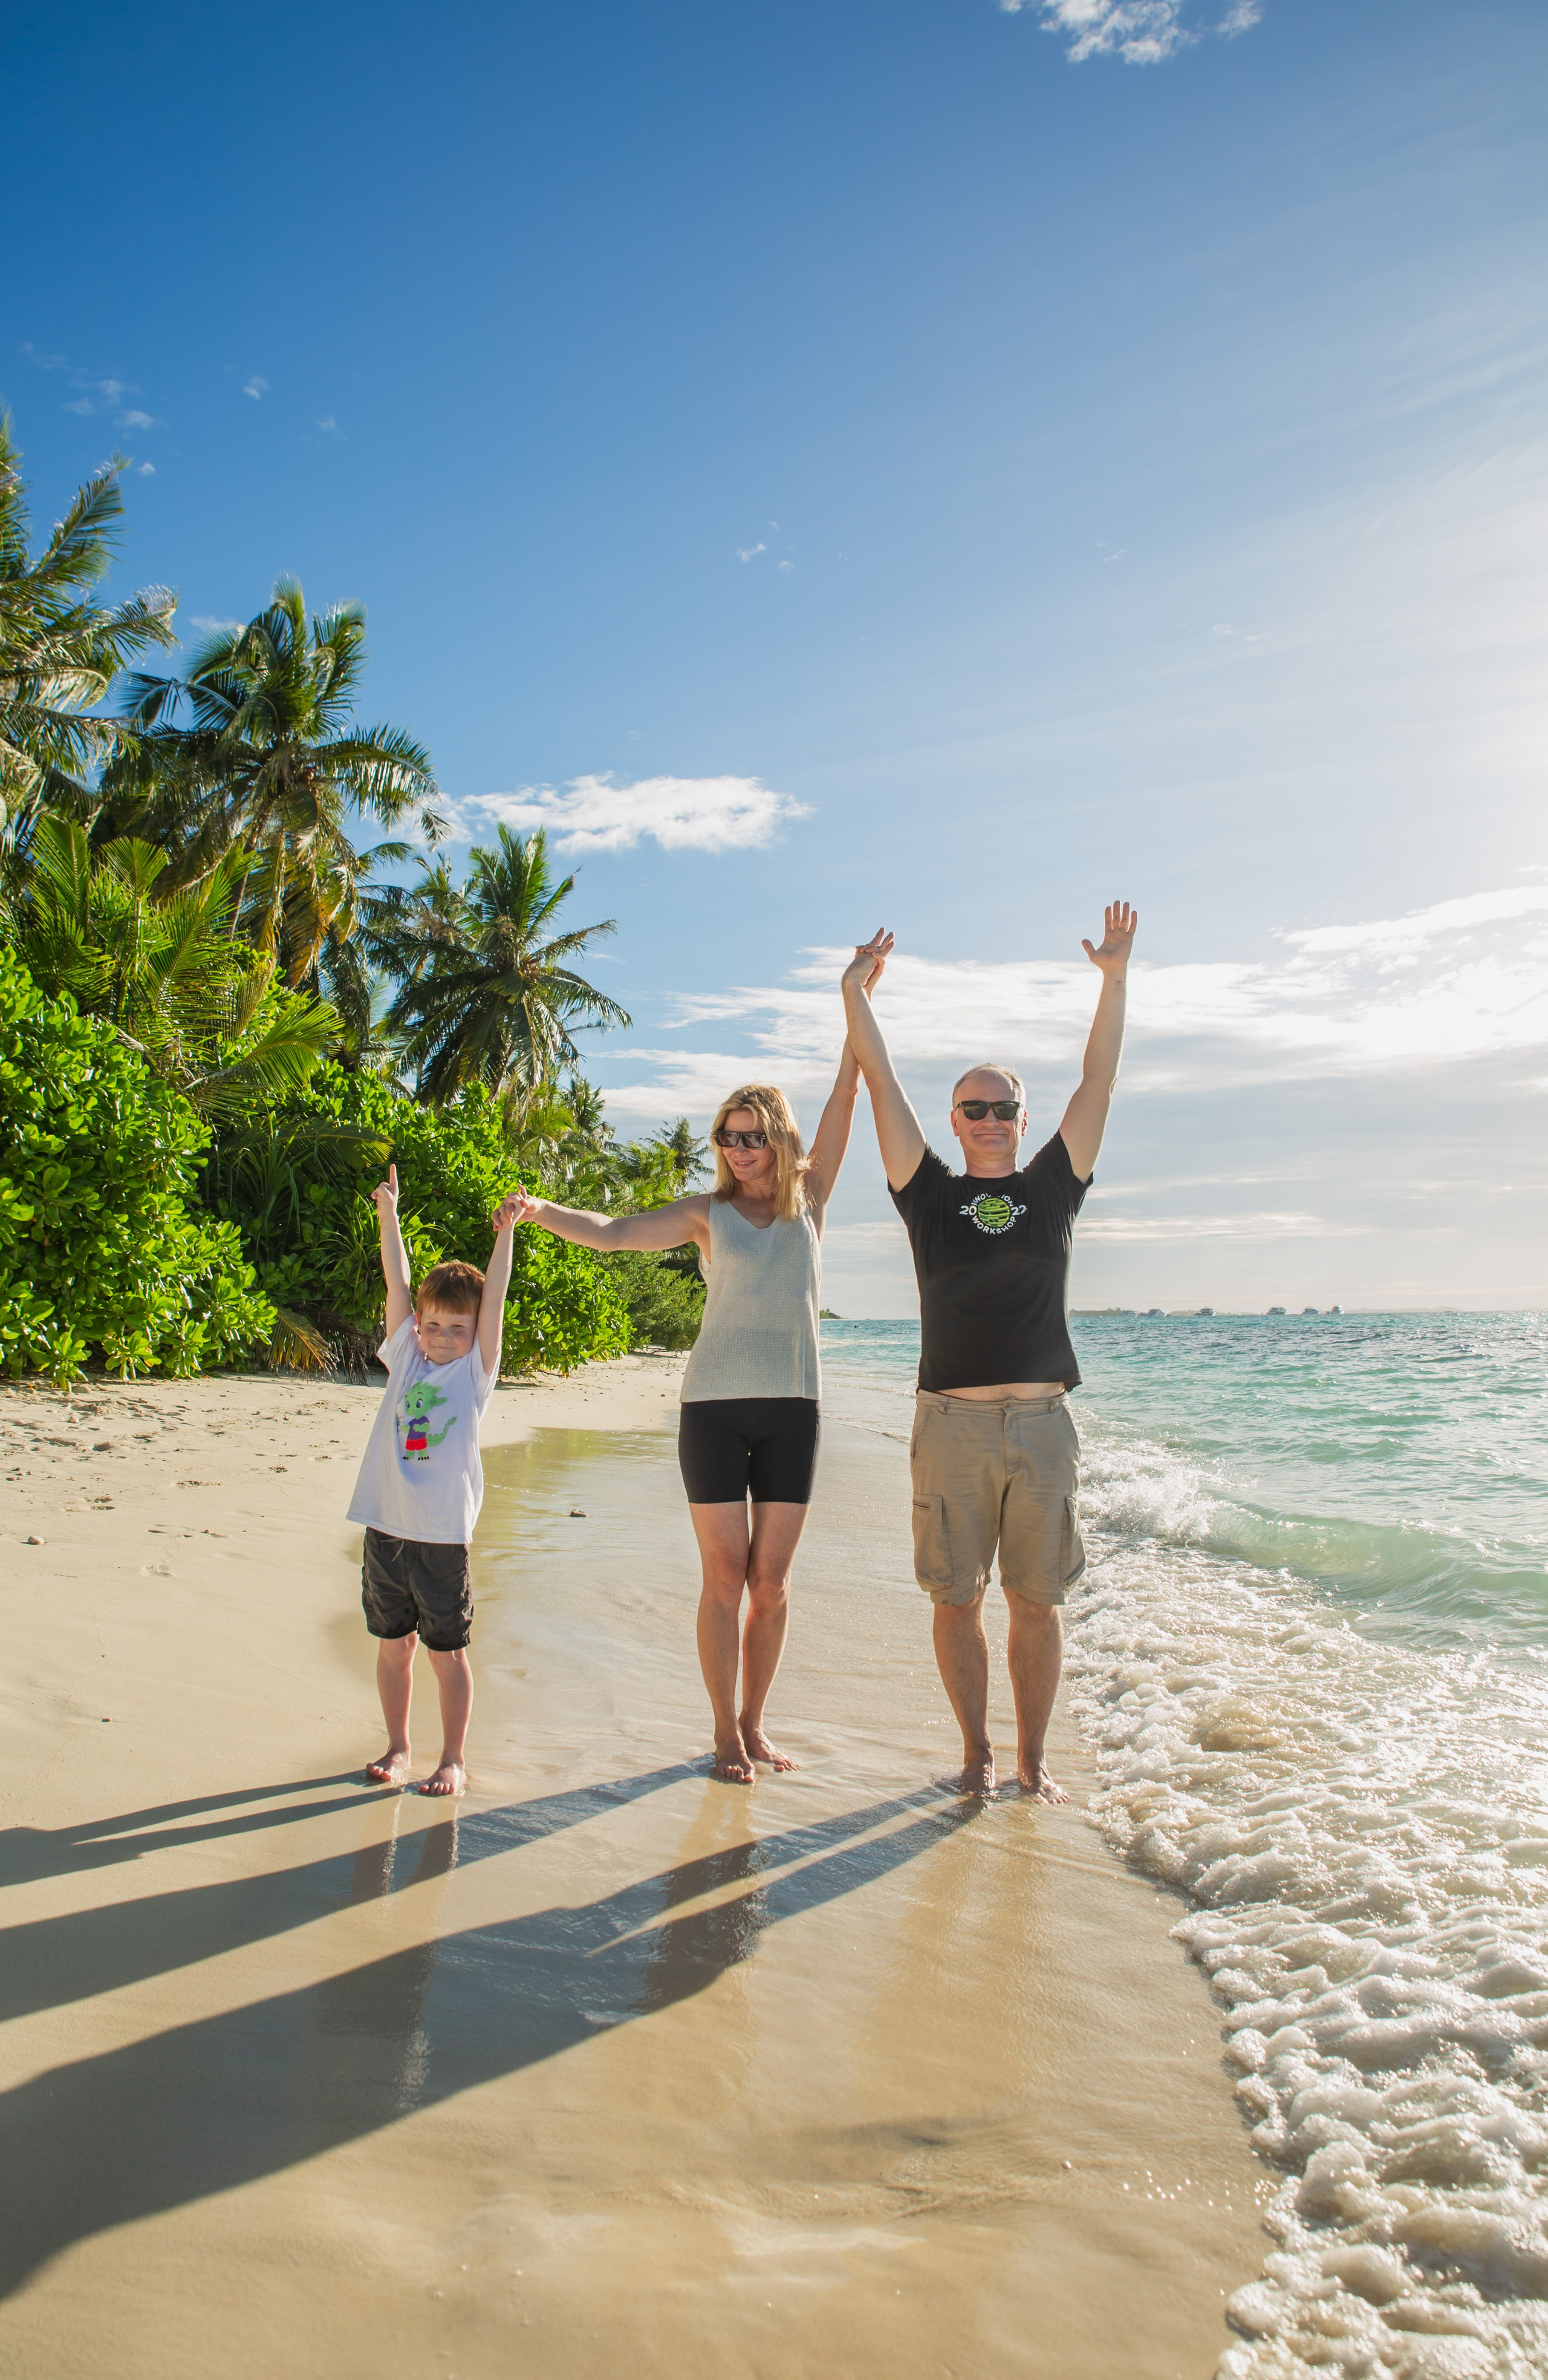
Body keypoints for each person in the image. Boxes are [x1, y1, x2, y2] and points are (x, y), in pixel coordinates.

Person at [510, 1035, 873, 1783]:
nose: (738, 1149)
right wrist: (539, 1208)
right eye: (726, 1136)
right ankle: (722, 1733)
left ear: (779, 1137)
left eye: (753, 1136)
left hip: (793, 1409)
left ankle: (754, 1721)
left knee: (770, 1582)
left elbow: (845, 1097)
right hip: (711, 1409)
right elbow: (612, 1235)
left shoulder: (811, 1198)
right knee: (724, 1575)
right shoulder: (707, 1213)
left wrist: (854, 1001)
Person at [841, 902, 1137, 1800]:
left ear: (1020, 1116)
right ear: (958, 1119)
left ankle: (1033, 1761)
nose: (992, 1118)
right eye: (975, 1108)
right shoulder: (928, 1192)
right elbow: (882, 1083)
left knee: (1037, 1602)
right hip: (952, 1425)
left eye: (1005, 1107)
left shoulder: (1053, 1186)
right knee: (955, 1598)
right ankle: (973, 1754)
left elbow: (1099, 1081)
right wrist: (853, 990)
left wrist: (1115, 980)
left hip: (1044, 1424)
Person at [346, 1163, 522, 1796]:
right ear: (418, 1324)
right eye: (434, 1325)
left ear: (475, 1336)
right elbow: (397, 1277)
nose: (444, 1337)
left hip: (442, 1537)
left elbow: (495, 1297)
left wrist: (507, 1232)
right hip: (385, 1527)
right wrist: (388, 1211)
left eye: (458, 1328)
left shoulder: (472, 1374)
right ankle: (398, 1747)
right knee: (393, 1646)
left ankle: (452, 1758)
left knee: (447, 1653)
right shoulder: (404, 1358)